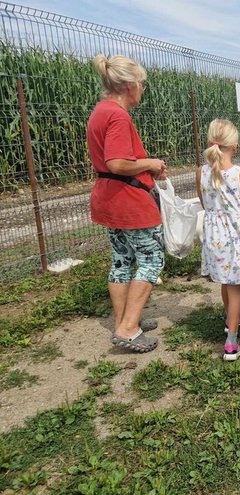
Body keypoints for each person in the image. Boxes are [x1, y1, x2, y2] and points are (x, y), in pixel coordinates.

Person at [87, 54, 167, 353]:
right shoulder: (118, 115)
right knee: (151, 260)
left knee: (121, 260)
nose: (142, 90)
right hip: (129, 199)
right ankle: (129, 327)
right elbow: (117, 162)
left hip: (109, 198)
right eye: (142, 84)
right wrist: (152, 162)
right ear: (130, 85)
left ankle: (123, 319)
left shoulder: (100, 110)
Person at [196, 119, 240, 361]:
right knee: (235, 289)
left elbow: (205, 205)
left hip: (215, 237)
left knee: (226, 282)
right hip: (235, 238)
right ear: (234, 146)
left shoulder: (201, 173)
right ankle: (231, 343)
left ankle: (230, 319)